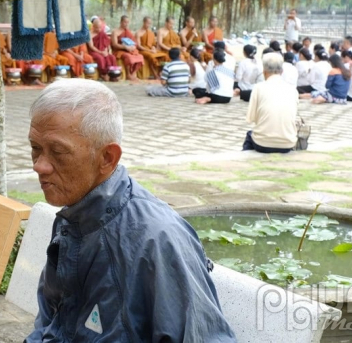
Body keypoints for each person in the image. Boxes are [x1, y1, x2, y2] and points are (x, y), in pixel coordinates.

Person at [25, 79, 237, 342]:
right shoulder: (74, 214)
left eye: (58, 152)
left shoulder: (156, 239)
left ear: (107, 158)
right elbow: (50, 321)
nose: (40, 166)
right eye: (35, 149)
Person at [243, 53, 298, 154]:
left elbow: (251, 118)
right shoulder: (292, 90)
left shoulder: (258, 87)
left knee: (249, 136)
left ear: (264, 71)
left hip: (263, 144)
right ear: (282, 71)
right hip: (288, 143)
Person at [111, 15, 144, 81]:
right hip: (119, 50)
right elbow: (114, 44)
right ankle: (128, 74)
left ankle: (133, 74)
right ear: (121, 22)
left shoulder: (128, 32)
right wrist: (125, 47)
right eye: (125, 22)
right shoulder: (115, 32)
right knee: (128, 57)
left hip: (129, 50)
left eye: (127, 22)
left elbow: (134, 42)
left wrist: (133, 47)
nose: (126, 24)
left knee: (140, 56)